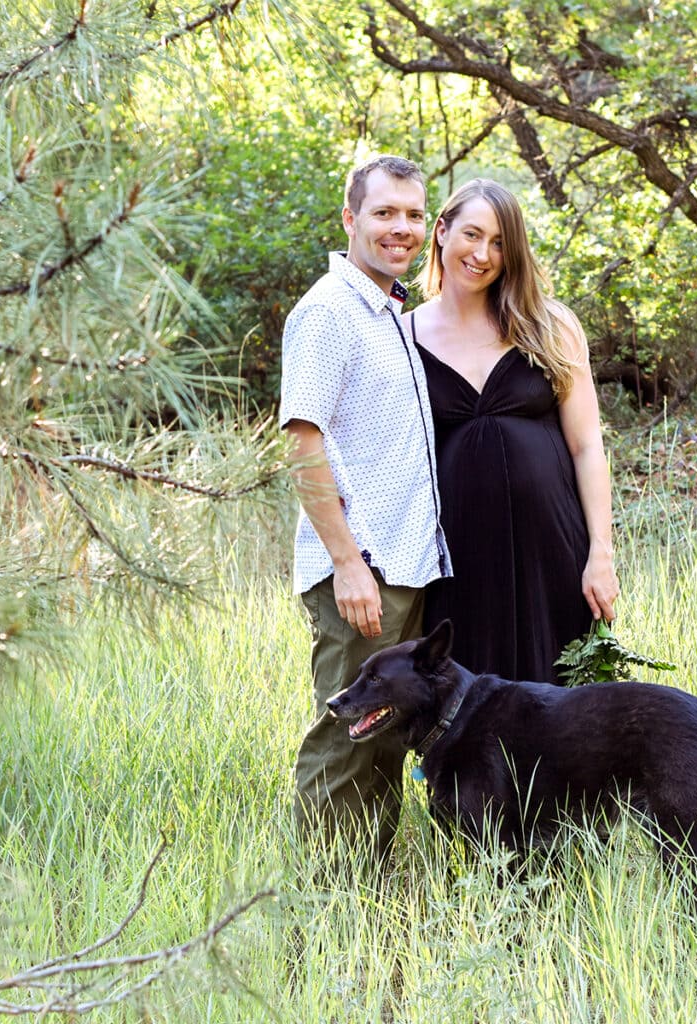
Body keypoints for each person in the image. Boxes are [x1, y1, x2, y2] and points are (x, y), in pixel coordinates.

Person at [279, 155, 451, 867]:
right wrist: (349, 564)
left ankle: (366, 894)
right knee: (343, 736)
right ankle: (323, 902)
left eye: (413, 215)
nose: (400, 228)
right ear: (351, 219)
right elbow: (302, 439)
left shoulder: (387, 312)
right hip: (363, 567)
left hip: (405, 565)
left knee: (381, 735)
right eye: (384, 213)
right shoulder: (327, 312)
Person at [407, 178, 619, 683]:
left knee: (568, 708)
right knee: (464, 709)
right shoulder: (403, 332)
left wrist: (601, 554)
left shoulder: (549, 325)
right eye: (473, 235)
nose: (483, 254)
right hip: (458, 554)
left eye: (500, 242)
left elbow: (588, 446)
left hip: (552, 545)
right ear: (441, 231)